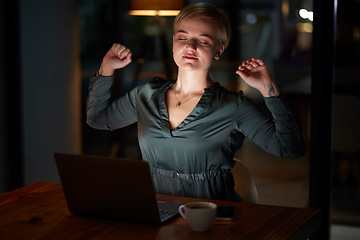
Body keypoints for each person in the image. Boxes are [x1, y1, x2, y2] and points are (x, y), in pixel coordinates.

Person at [86, 3, 306, 202]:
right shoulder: (145, 95)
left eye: (203, 40)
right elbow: (97, 119)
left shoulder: (233, 106)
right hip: (157, 220)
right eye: (182, 38)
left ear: (219, 50)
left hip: (215, 224)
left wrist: (269, 89)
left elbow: (290, 149)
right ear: (173, 43)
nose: (190, 47)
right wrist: (106, 70)